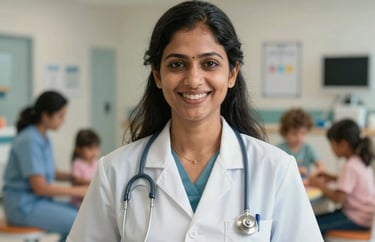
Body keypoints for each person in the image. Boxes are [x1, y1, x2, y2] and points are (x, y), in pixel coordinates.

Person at [67, 1, 323, 241]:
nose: (193, 79)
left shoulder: (275, 169)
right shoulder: (115, 171)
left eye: (210, 63)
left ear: (232, 73)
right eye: (177, 64)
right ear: (157, 75)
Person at [2, 90, 87, 242]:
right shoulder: (29, 140)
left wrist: (75, 177)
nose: (63, 121)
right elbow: (40, 187)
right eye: (60, 116)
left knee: (80, 213)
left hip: (38, 202)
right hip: (23, 206)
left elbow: (48, 171)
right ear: (45, 115)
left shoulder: (42, 137)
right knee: (80, 223)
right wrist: (80, 191)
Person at [309, 119, 375, 237]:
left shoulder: (350, 166)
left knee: (311, 225)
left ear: (343, 144)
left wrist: (318, 184)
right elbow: (353, 182)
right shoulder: (360, 160)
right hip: (367, 216)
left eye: (332, 144)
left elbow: (338, 198)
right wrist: (331, 177)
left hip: (356, 218)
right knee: (314, 220)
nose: (331, 149)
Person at [277, 107, 324, 179]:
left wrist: (311, 175)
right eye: (294, 134)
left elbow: (321, 166)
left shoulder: (308, 148)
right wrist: (295, 171)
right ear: (285, 133)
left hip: (306, 185)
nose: (299, 138)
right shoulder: (279, 150)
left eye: (303, 133)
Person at [70, 128, 100, 207]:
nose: (94, 152)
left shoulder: (97, 163)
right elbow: (76, 180)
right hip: (79, 201)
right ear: (79, 149)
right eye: (90, 149)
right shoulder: (78, 163)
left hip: (93, 199)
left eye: (96, 148)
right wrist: (92, 181)